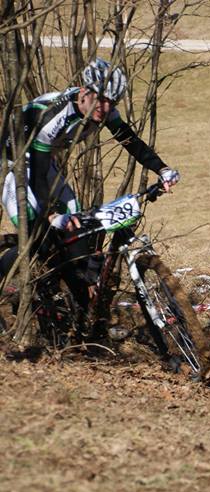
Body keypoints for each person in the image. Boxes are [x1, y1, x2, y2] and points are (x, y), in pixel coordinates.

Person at [1, 58, 180, 311]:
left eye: (112, 102)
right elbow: (37, 176)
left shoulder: (101, 109)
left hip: (42, 161)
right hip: (13, 166)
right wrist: (51, 215)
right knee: (37, 233)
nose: (105, 107)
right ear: (85, 90)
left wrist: (162, 169)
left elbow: (131, 141)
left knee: (76, 218)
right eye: (101, 98)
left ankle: (75, 296)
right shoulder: (54, 115)